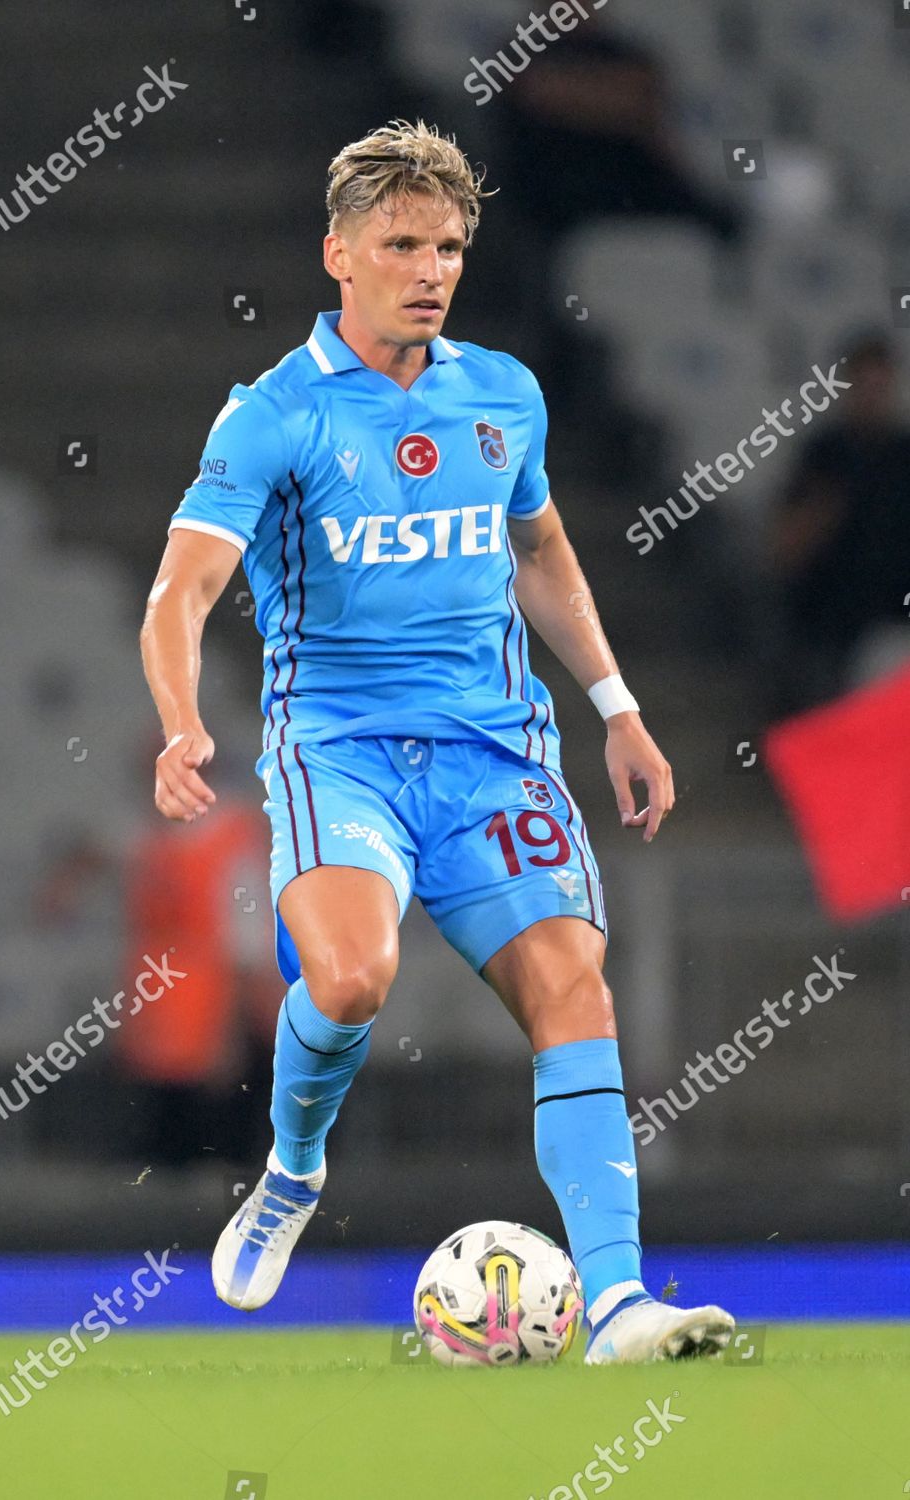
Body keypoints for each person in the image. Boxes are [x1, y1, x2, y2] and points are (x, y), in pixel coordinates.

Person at [139, 119, 734, 1364]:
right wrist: (184, 718)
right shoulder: (275, 415)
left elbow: (542, 552)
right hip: (340, 752)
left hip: (493, 756)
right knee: (351, 981)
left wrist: (617, 706)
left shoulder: (501, 393)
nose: (431, 267)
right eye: (402, 242)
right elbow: (182, 589)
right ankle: (293, 1171)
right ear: (338, 254)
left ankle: (620, 1303)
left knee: (573, 987)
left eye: (450, 244)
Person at [768, 332, 910, 716]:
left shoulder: (903, 455)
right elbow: (786, 549)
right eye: (864, 385)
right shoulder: (823, 455)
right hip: (826, 627)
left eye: (881, 386)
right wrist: (823, 510)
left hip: (894, 624)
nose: (872, 396)